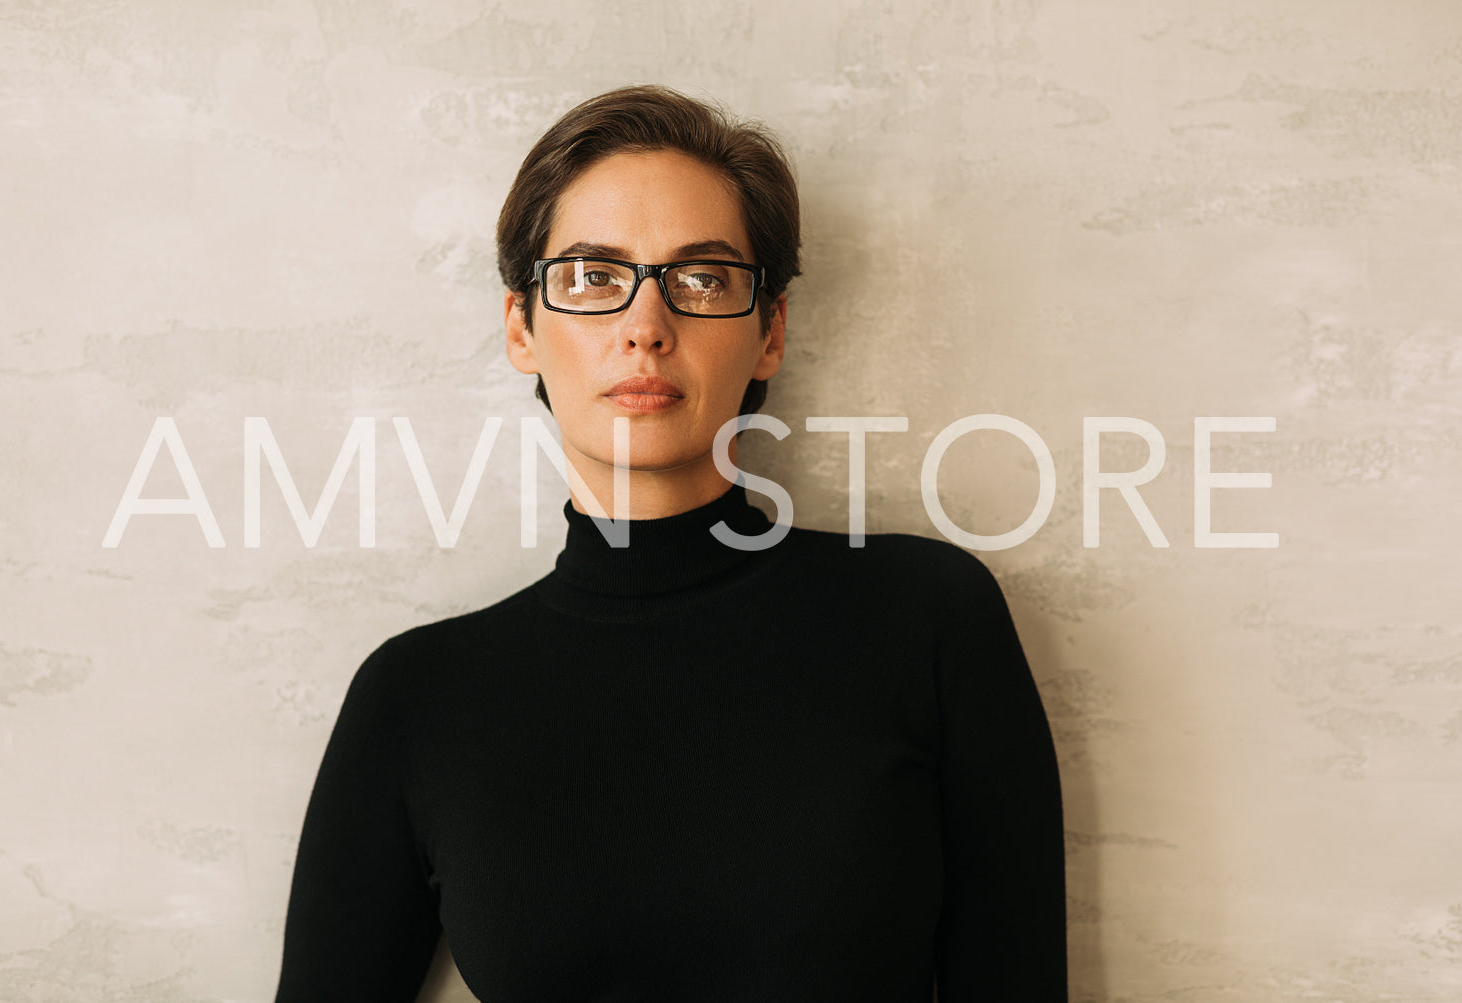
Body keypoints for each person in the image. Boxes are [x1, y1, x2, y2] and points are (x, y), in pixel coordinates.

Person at [274, 84, 1066, 1002]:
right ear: (521, 328)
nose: (646, 328)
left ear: (769, 332)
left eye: (700, 278)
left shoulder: (924, 617)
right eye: (592, 277)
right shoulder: (416, 699)